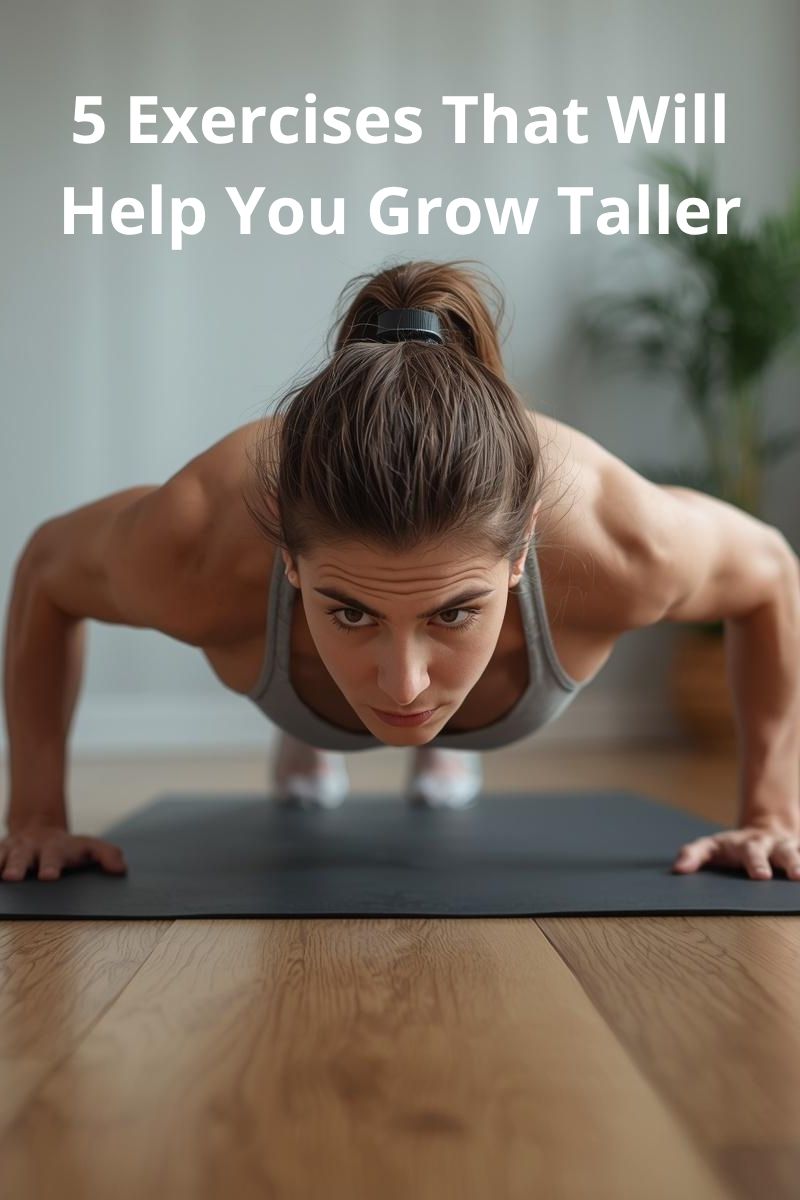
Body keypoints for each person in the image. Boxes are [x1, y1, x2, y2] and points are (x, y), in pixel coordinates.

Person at [3, 259, 799, 884]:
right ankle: (322, 724)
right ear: (286, 555)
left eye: (454, 612)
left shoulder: (618, 540)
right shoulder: (197, 543)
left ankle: (420, 713)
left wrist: (771, 811)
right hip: (275, 624)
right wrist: (36, 814)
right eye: (349, 611)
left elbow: (769, 572)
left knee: (411, 686)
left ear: (522, 553)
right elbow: (46, 570)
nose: (406, 683)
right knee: (380, 686)